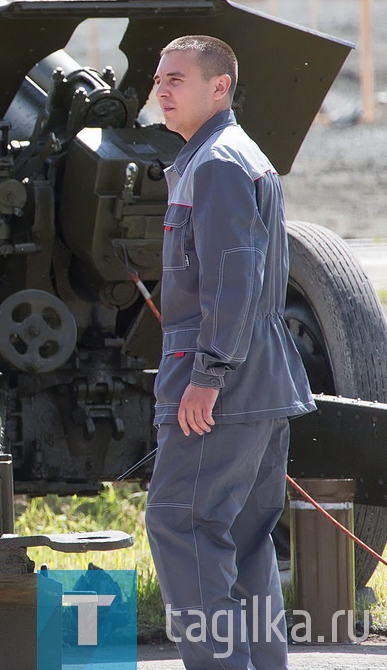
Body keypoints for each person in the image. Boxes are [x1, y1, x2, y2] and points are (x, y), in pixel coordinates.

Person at [144, 35, 315, 669]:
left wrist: (208, 374)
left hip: (223, 379)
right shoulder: (238, 155)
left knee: (182, 526)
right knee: (244, 539)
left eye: (177, 80)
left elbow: (231, 277)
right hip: (264, 377)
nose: (161, 90)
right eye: (160, 78)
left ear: (221, 87)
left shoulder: (214, 162)